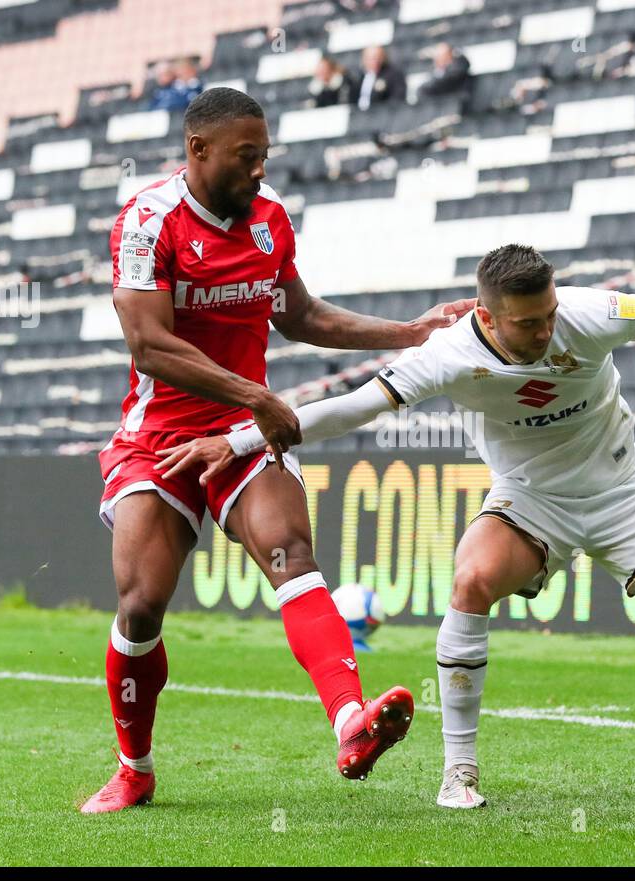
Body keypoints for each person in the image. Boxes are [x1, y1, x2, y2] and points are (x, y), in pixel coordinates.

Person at [158, 244, 635, 809]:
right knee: (471, 580)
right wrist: (245, 438)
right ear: (486, 316)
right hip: (529, 502)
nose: (546, 331)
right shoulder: (449, 355)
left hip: (622, 490)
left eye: (549, 313)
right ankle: (460, 770)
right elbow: (351, 408)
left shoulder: (591, 313)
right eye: (527, 323)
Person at [83, 87, 473, 813]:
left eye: (264, 156)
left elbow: (303, 315)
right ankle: (134, 768)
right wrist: (259, 395)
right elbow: (149, 343)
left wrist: (409, 332)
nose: (260, 171)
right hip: (159, 439)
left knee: (291, 554)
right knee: (140, 605)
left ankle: (352, 724)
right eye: (246, 156)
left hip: (243, 434)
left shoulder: (269, 221)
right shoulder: (146, 222)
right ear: (198, 150)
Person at [355, 45, 406, 111]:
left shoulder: (393, 75)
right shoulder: (359, 77)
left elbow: (397, 99)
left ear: (383, 58)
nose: (374, 61)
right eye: (369, 58)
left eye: (376, 57)